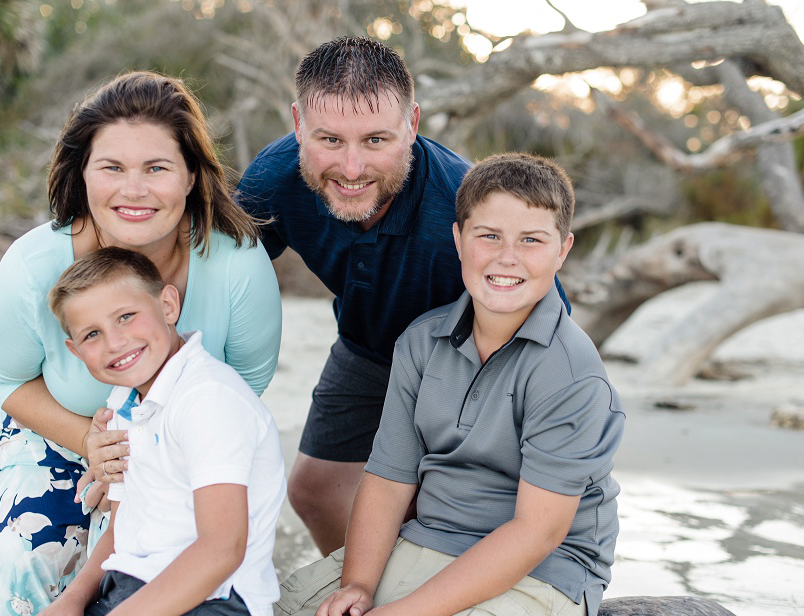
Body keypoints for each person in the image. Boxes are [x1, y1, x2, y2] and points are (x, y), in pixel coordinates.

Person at [267, 153, 624, 616]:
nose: (507, 257)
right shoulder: (420, 342)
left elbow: (536, 532)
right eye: (489, 236)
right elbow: (388, 480)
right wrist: (360, 585)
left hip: (541, 572)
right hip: (426, 541)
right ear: (457, 240)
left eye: (531, 240)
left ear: (563, 249)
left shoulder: (570, 373)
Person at [0, 70, 282, 616]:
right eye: (112, 168)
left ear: (192, 176)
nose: (133, 190)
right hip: (57, 427)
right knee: (34, 563)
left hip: (176, 437)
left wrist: (147, 450)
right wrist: (87, 440)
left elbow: (246, 381)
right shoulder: (29, 270)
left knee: (132, 571)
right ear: (82, 174)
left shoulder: (237, 265)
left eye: (157, 169)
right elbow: (4, 377)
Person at [233, 37, 570, 555]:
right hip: (364, 346)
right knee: (313, 488)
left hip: (467, 359)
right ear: (298, 123)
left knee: (426, 501)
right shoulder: (275, 179)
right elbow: (217, 269)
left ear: (412, 125)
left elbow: (546, 307)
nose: (350, 167)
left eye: (375, 141)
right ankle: (351, 588)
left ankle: (421, 596)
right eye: (329, 139)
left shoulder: (459, 201)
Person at [0, 247, 285, 616]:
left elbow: (223, 547)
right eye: (92, 334)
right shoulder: (122, 405)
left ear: (168, 305)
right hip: (124, 595)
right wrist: (73, 599)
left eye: (126, 317)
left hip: (215, 606)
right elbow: (120, 525)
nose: (115, 342)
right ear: (76, 352)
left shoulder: (208, 399)